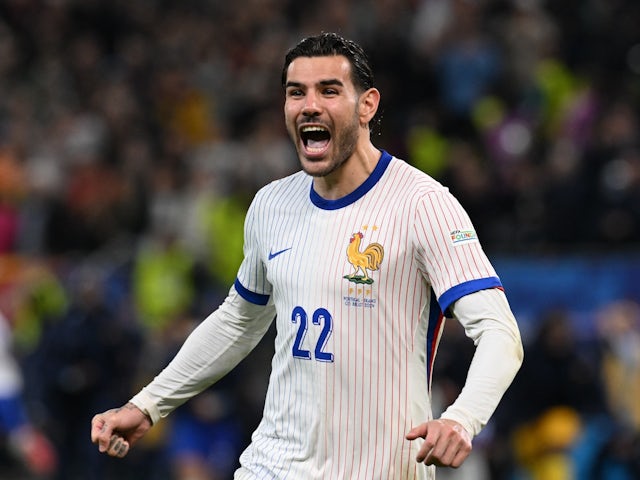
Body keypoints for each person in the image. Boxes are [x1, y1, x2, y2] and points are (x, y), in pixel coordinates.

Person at [91, 32, 524, 479]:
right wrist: (148, 404)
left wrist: (462, 418)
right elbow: (238, 320)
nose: (309, 105)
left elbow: (499, 332)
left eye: (329, 90)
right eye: (296, 92)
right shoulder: (271, 205)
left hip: (377, 470)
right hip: (274, 464)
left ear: (367, 105)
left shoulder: (422, 204)